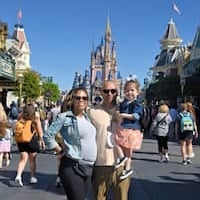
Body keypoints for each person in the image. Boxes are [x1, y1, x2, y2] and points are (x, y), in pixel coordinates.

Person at [44, 87, 97, 200]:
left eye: (84, 98)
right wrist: (59, 150)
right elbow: (48, 135)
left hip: (89, 167)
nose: (81, 100)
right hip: (73, 165)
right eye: (78, 98)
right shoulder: (65, 117)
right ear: (72, 100)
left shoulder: (87, 118)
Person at [88, 80, 130, 200]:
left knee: (121, 197)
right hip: (101, 163)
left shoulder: (125, 111)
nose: (109, 94)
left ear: (117, 92)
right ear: (101, 92)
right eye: (106, 91)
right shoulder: (92, 112)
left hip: (121, 165)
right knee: (99, 197)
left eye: (113, 91)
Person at [113, 79, 143, 180]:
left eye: (132, 90)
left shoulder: (137, 104)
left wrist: (123, 115)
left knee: (115, 140)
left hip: (131, 130)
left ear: (138, 92)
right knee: (127, 151)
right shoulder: (124, 103)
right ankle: (127, 169)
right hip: (124, 128)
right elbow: (118, 111)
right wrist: (117, 113)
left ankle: (122, 158)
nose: (129, 92)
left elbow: (136, 116)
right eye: (127, 91)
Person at [15, 103, 45, 186]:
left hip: (21, 140)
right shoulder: (35, 117)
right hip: (31, 140)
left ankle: (18, 176)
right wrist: (41, 139)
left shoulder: (21, 116)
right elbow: (39, 130)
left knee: (22, 159)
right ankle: (32, 177)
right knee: (32, 160)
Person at [0, 102, 11, 168]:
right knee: (6, 153)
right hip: (6, 141)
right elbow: (9, 136)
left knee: (0, 154)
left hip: (1, 140)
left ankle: (0, 163)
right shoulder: (3, 115)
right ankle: (7, 161)